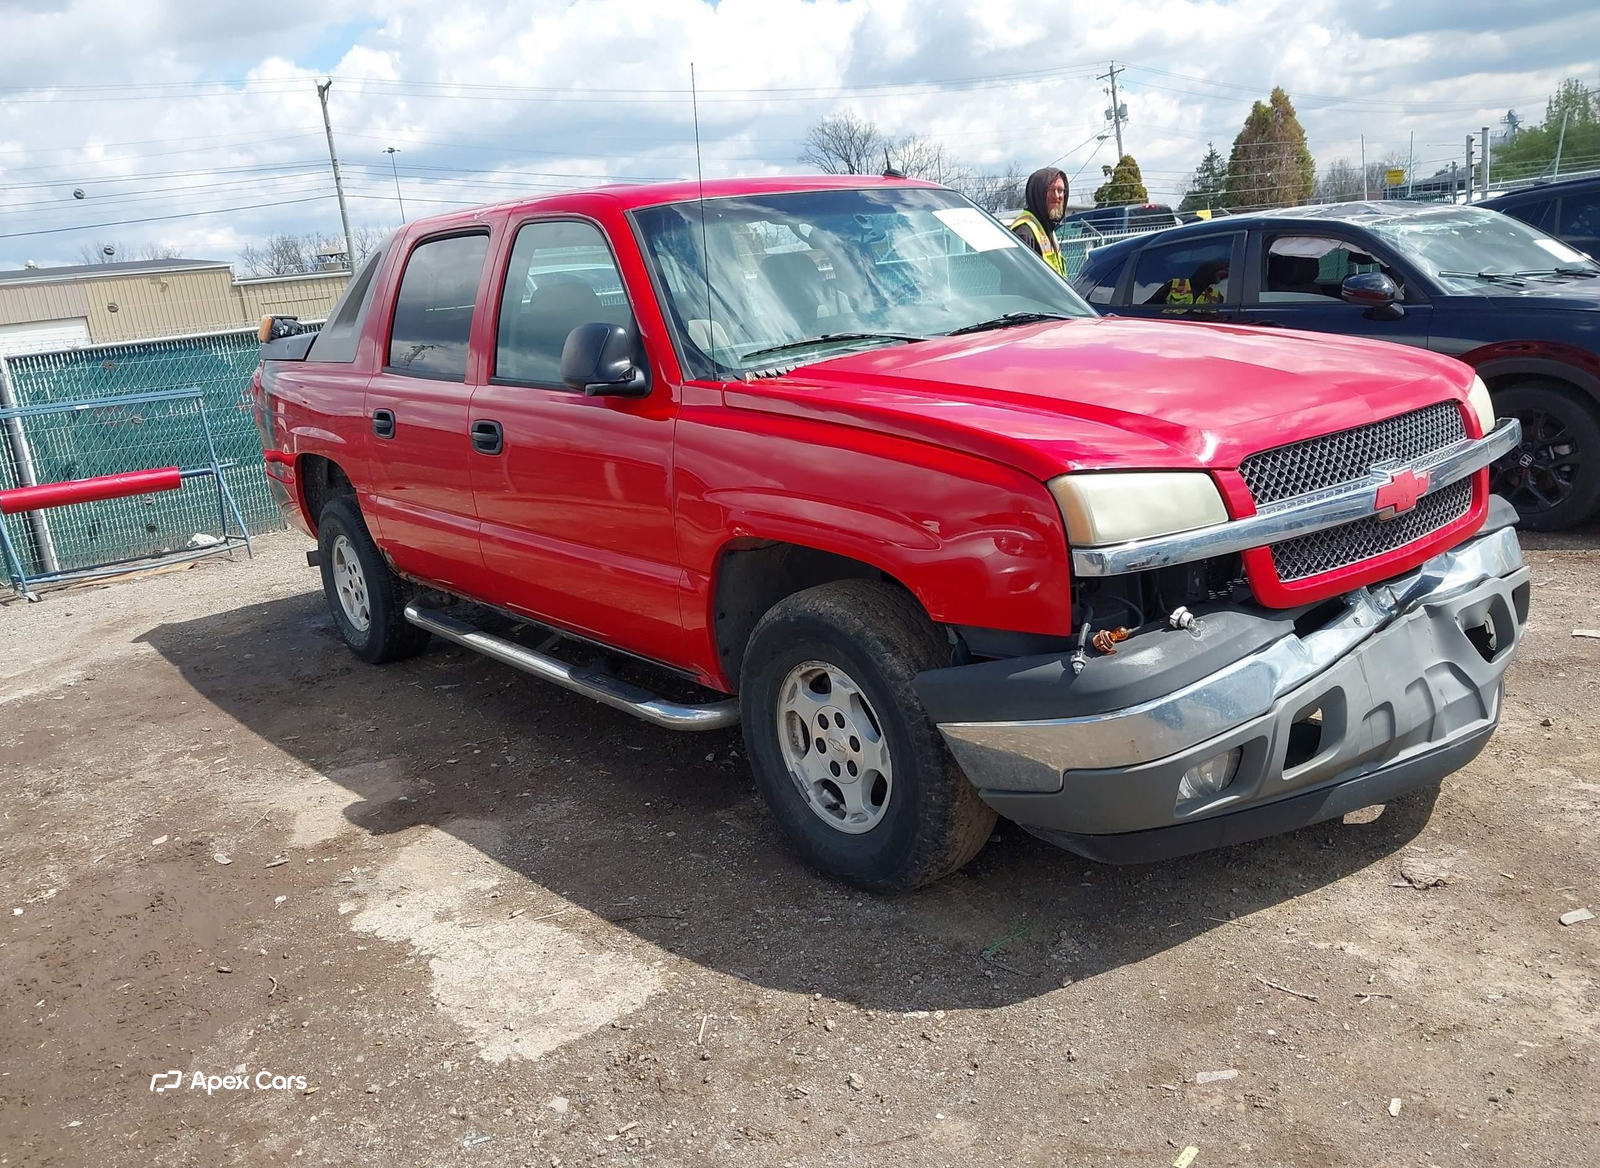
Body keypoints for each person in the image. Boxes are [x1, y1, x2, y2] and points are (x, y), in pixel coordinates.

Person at [1010, 167, 1068, 276]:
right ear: (1038, 194)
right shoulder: (1024, 232)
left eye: (1060, 190)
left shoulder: (1048, 230)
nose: (1056, 196)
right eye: (1051, 190)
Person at [1144, 258, 1230, 306]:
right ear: (1210, 271)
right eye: (1223, 271)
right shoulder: (1175, 284)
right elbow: (1148, 308)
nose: (1225, 274)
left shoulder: (1217, 296)